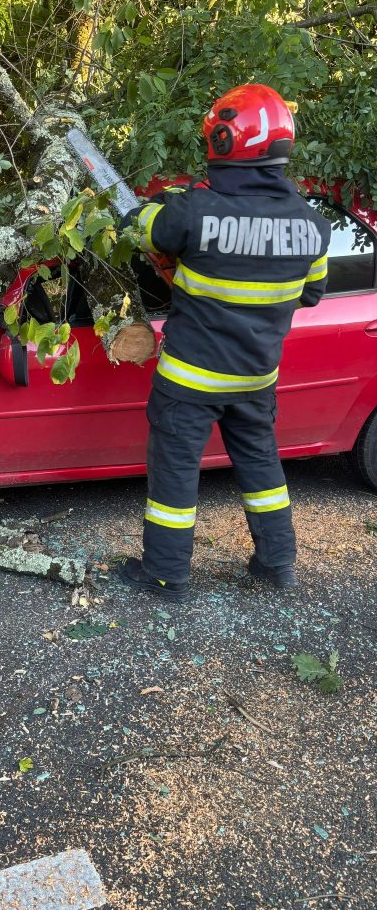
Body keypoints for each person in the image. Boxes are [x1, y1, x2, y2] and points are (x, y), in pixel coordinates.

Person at [114, 83, 331, 603]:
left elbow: (145, 225)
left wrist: (152, 207)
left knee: (175, 476)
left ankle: (166, 575)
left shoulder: (193, 212)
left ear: (226, 139)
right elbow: (311, 296)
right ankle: (276, 564)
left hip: (190, 378)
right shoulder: (313, 226)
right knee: (262, 468)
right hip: (257, 377)